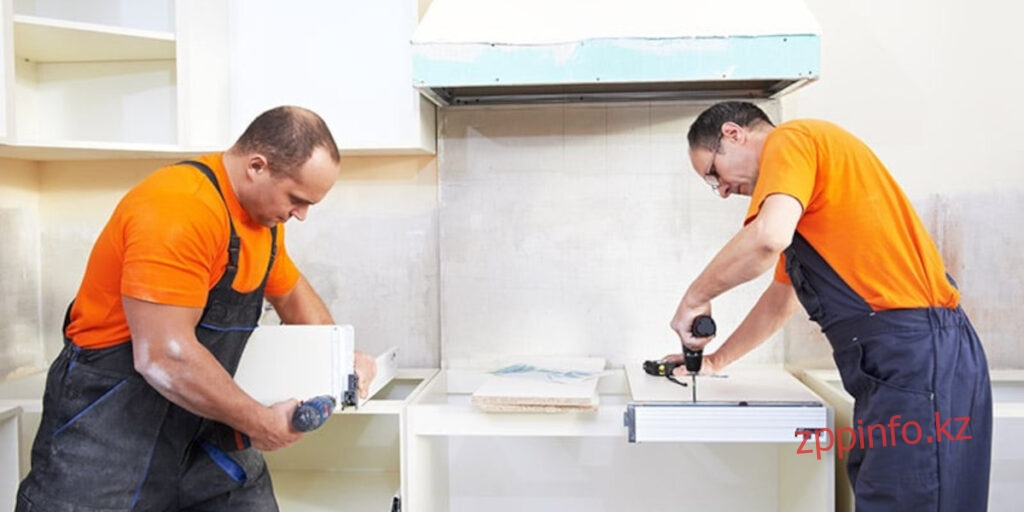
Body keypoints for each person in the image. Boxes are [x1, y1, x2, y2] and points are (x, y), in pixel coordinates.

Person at [16, 106, 377, 512]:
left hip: (204, 432)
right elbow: (164, 356)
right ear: (257, 166)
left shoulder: (261, 226)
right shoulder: (180, 208)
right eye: (297, 199)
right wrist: (260, 423)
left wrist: (340, 361)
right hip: (110, 436)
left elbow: (294, 297)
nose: (302, 214)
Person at [667, 101, 991, 511]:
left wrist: (695, 298)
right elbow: (780, 301)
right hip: (895, 364)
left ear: (733, 133)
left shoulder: (791, 140)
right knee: (887, 496)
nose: (723, 191)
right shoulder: (804, 207)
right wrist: (716, 361)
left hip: (916, 358)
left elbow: (768, 238)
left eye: (714, 174)